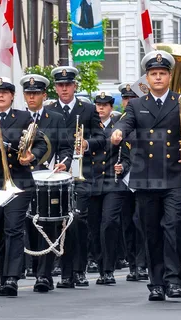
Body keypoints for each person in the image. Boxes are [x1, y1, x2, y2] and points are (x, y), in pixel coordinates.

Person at [111, 51, 181, 301]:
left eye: (162, 73)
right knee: (150, 230)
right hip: (146, 177)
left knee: (173, 226)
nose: (158, 77)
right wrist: (118, 132)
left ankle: (174, 279)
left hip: (174, 174)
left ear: (169, 75)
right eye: (154, 74)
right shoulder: (137, 104)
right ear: (148, 77)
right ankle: (156, 283)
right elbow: (124, 123)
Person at [0, 76, 47, 297]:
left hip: (18, 181)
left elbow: (40, 143)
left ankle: (12, 278)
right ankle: (3, 277)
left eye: (5, 92)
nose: (0, 95)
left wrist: (31, 157)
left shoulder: (22, 117)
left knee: (13, 229)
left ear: (12, 96)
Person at [46, 66, 105, 288]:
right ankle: (62, 269)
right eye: (60, 85)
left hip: (81, 174)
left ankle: (78, 270)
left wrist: (88, 143)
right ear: (55, 88)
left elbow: (102, 137)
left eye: (68, 84)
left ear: (74, 86)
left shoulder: (88, 109)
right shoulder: (49, 110)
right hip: (57, 173)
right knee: (57, 222)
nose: (64, 88)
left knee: (77, 222)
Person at [20, 74, 70, 292]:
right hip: (21, 178)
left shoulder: (56, 118)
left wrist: (64, 164)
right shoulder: (18, 117)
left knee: (46, 225)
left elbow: (66, 148)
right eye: (28, 93)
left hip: (46, 178)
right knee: (25, 225)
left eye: (36, 93)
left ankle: (44, 275)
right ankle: (28, 266)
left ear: (44, 95)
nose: (32, 97)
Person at [87, 91, 131, 285]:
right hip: (93, 182)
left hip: (113, 182)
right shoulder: (88, 127)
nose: (101, 108)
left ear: (111, 108)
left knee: (109, 224)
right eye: (98, 104)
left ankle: (108, 269)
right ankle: (99, 262)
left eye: (105, 105)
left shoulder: (119, 127)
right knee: (94, 227)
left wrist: (123, 167)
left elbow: (128, 157)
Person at [117, 82, 147, 281]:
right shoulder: (119, 123)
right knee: (126, 224)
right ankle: (132, 264)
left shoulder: (145, 122)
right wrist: (121, 168)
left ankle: (143, 264)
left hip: (144, 179)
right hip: (125, 182)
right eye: (126, 99)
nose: (128, 102)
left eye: (132, 98)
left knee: (141, 223)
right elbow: (120, 155)